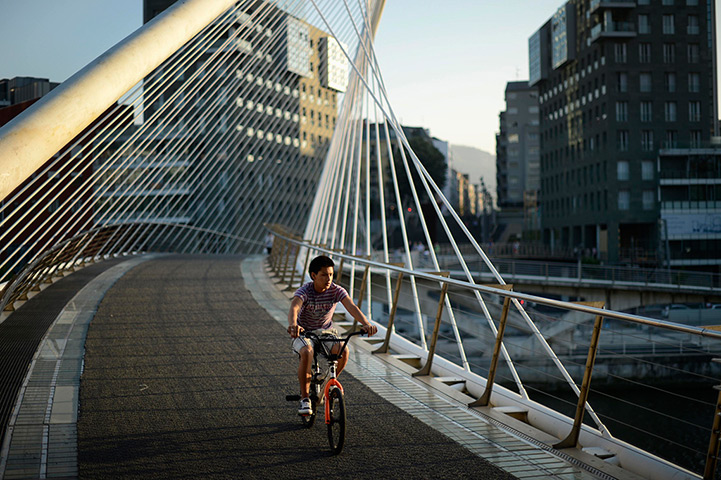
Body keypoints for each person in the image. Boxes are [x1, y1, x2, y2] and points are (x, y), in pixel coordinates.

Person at [287, 255, 377, 415]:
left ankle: (328, 383)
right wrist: (294, 325)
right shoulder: (305, 291)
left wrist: (366, 324)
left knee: (344, 351)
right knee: (307, 352)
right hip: (304, 332)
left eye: (331, 274)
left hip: (326, 332)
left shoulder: (336, 290)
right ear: (313, 276)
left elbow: (351, 306)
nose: (328, 279)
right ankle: (305, 398)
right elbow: (295, 307)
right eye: (324, 275)